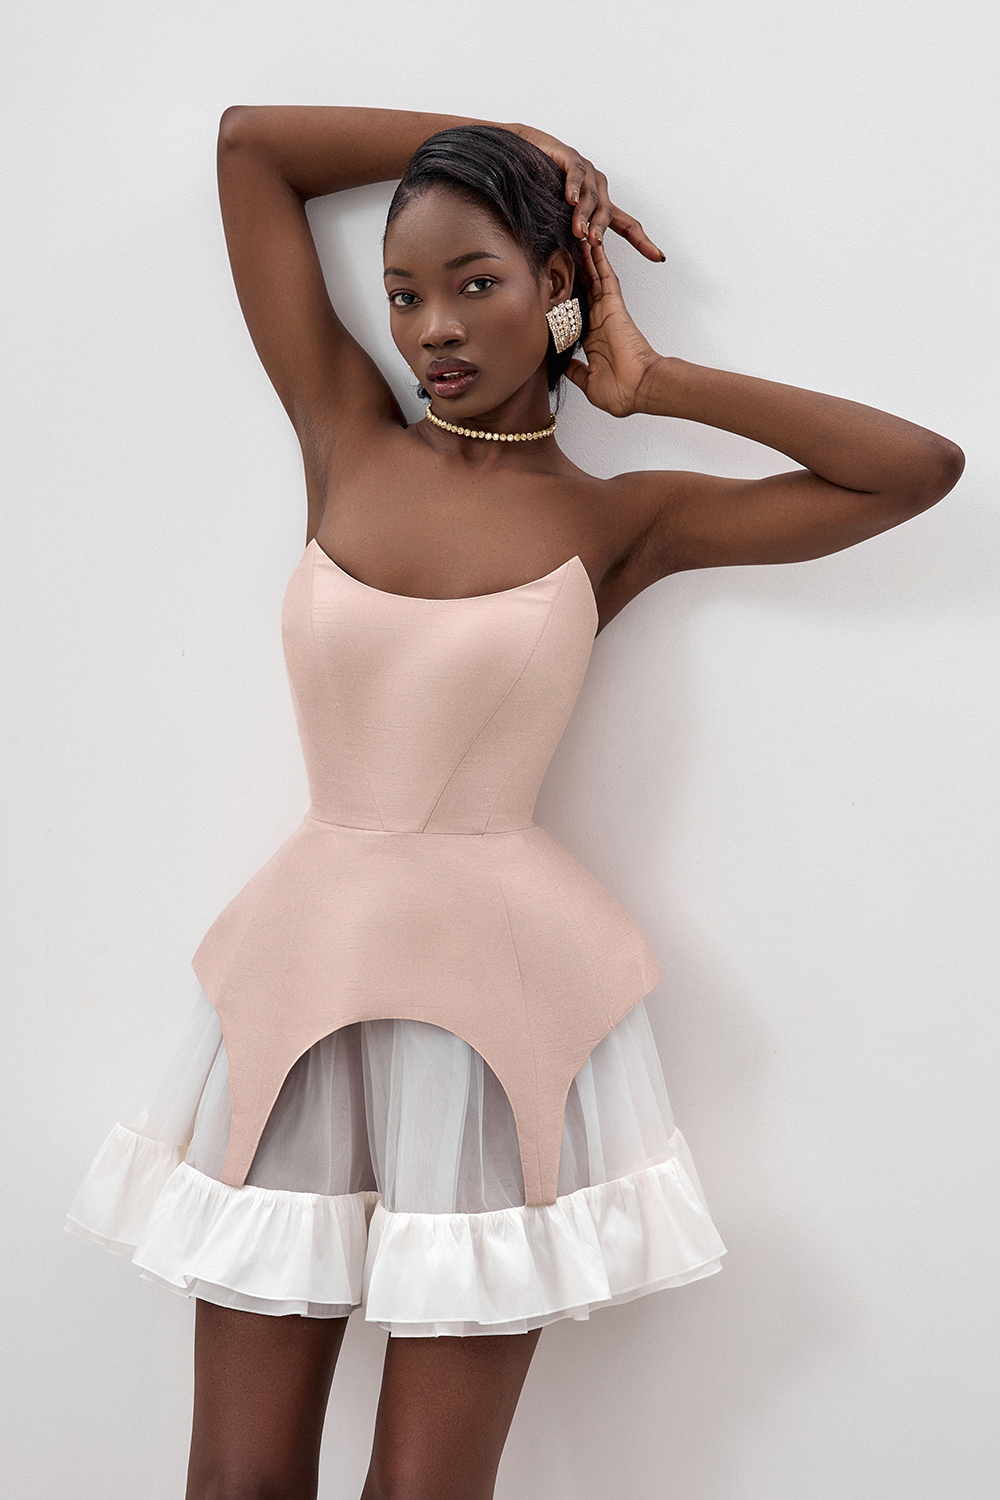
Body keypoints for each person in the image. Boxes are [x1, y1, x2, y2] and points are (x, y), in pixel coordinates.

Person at [66, 107, 964, 1500]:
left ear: (556, 285)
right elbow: (251, 151)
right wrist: (506, 138)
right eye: (404, 294)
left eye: (474, 282)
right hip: (299, 984)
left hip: (493, 1017)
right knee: (235, 1482)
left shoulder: (619, 521)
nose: (431, 328)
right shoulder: (344, 438)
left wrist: (655, 382)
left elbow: (914, 471)